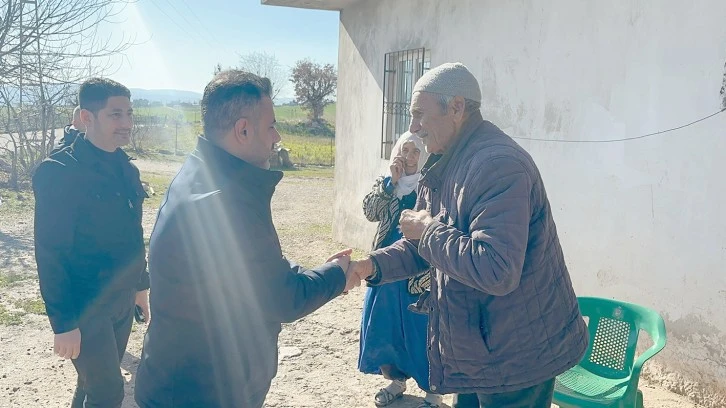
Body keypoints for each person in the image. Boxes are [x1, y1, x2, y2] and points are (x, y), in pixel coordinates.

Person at [347, 62, 589, 408]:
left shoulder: (498, 165)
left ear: (457, 108)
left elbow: (496, 268)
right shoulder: (446, 161)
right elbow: (421, 247)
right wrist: (368, 266)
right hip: (478, 348)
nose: (413, 128)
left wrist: (428, 231)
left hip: (519, 355)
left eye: (419, 115)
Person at [134, 70, 360, 408]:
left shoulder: (203, 174)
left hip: (184, 379)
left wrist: (314, 273)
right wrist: (337, 275)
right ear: (243, 130)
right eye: (271, 126)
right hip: (202, 392)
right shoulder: (225, 202)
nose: (277, 136)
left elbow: (255, 269)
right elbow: (281, 299)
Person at [32, 78, 150, 408]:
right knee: (108, 391)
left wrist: (141, 286)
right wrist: (64, 323)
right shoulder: (59, 172)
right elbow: (50, 253)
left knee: (93, 382)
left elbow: (133, 233)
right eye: (115, 114)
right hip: (84, 303)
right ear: (87, 117)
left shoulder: (126, 168)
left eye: (129, 113)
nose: (126, 123)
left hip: (121, 298)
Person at [358, 132, 442, 408]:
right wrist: (389, 184)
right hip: (385, 266)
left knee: (420, 328)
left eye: (416, 151)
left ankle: (433, 391)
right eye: (405, 150)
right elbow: (370, 211)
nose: (410, 157)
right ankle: (396, 381)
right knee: (386, 325)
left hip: (417, 269)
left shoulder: (430, 185)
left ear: (423, 155)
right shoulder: (387, 183)